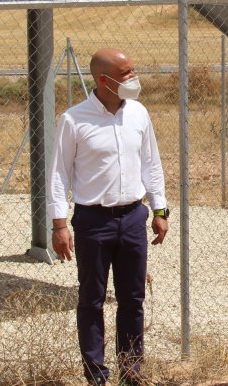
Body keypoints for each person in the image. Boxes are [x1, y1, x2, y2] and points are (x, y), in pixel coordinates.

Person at [50, 48, 169, 386]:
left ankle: (131, 372)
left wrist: (159, 210)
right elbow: (58, 174)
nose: (134, 78)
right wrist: (59, 224)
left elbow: (151, 164)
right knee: (92, 300)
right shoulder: (73, 120)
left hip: (133, 218)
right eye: (126, 73)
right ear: (104, 80)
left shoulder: (139, 114)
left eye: (132, 70)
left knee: (133, 300)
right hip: (93, 222)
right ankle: (96, 376)